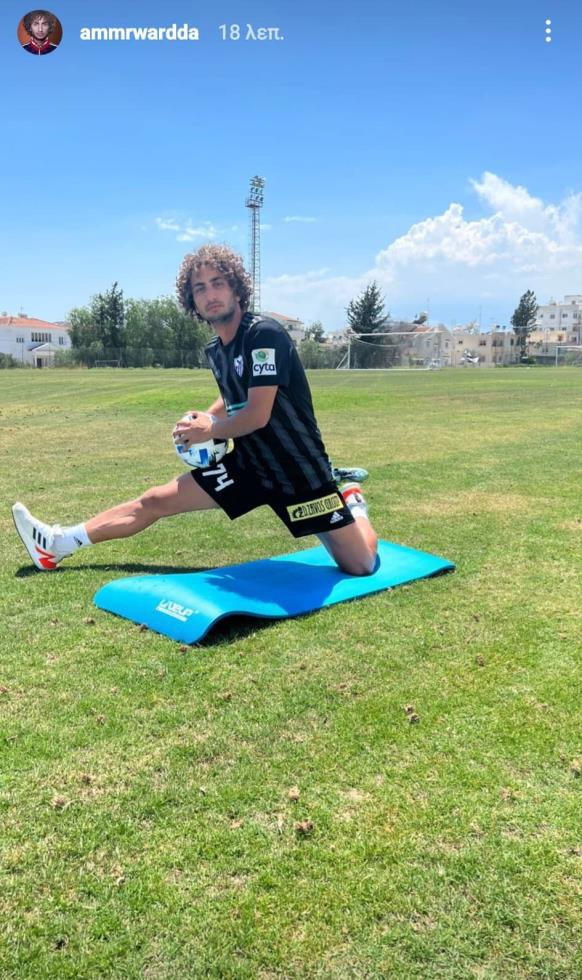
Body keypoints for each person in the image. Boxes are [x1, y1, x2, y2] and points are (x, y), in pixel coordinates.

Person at [12, 244, 378, 576]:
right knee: (155, 500)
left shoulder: (264, 335)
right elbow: (232, 398)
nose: (210, 294)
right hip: (249, 465)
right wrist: (199, 420)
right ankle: (56, 544)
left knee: (358, 564)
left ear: (237, 289)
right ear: (192, 300)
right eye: (200, 288)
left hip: (298, 471)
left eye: (218, 283)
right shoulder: (216, 350)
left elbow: (257, 414)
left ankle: (352, 501)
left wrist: (210, 429)